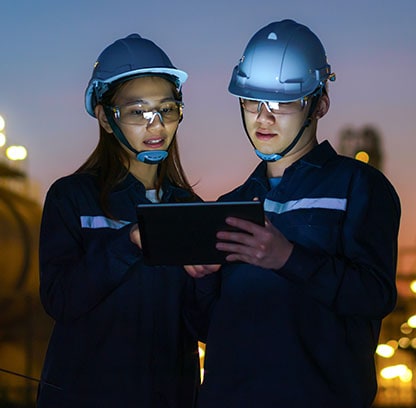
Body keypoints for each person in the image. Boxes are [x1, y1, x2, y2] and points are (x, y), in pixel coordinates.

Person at [193, 20, 401, 407]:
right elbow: (209, 329)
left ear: (320, 103)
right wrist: (204, 279)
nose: (263, 117)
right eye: (252, 102)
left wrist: (288, 259)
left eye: (282, 103)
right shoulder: (229, 205)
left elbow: (374, 296)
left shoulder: (357, 187)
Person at [37, 33, 203, 407]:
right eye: (137, 111)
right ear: (106, 119)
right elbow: (60, 300)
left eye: (167, 109)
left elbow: (206, 325)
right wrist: (128, 242)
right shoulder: (72, 198)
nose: (156, 125)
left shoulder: (189, 208)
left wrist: (208, 281)